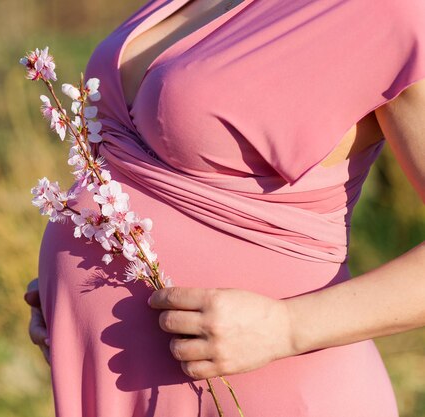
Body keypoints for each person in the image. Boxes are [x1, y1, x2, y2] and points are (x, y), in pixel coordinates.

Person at [24, 0, 425, 415]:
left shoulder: (390, 13)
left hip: (268, 391)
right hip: (122, 382)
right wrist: (70, 300)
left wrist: (286, 327)